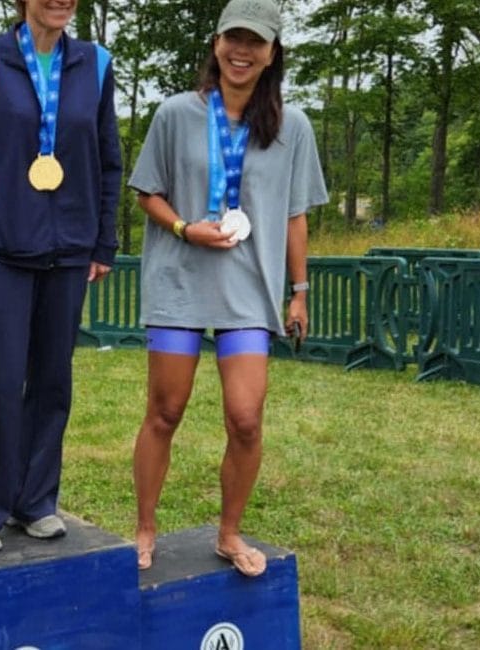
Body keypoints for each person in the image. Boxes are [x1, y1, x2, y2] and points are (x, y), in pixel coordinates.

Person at [128, 0, 328, 576]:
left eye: (255, 42)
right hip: (179, 281)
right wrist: (185, 227)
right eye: (233, 39)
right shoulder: (175, 113)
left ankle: (228, 533)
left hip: (249, 291)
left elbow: (295, 216)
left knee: (246, 418)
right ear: (216, 43)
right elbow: (148, 192)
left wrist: (299, 291)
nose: (242, 51)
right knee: (165, 410)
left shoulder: (293, 127)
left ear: (272, 54)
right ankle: (145, 527)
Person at [0, 0, 122, 553]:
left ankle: (35, 501)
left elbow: (107, 158)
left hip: (69, 249)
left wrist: (102, 239)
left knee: (51, 382)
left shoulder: (96, 63)